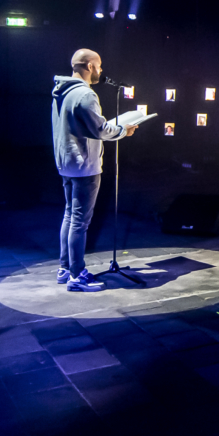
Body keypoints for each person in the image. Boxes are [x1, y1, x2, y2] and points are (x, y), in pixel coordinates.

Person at [52, 49, 135, 292]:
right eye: (99, 66)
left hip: (67, 163)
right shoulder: (86, 94)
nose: (101, 70)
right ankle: (77, 276)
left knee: (70, 216)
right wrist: (123, 130)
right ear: (89, 66)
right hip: (84, 166)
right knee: (79, 222)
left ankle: (65, 268)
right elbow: (100, 130)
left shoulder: (62, 92)